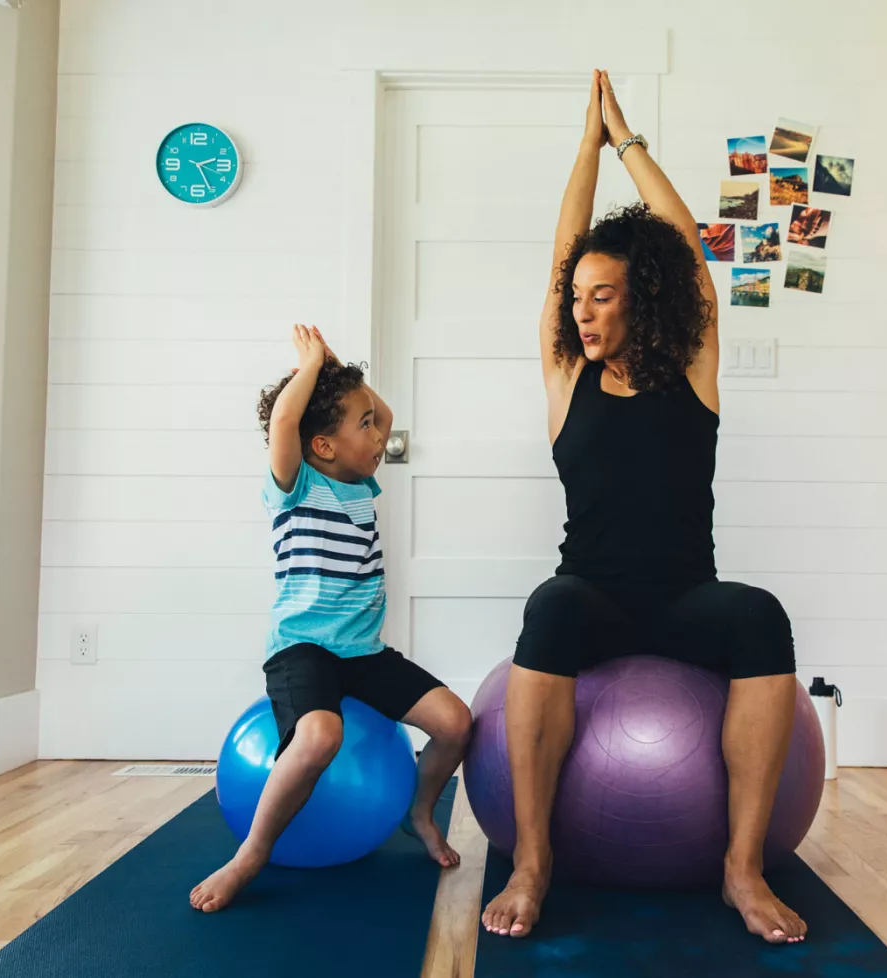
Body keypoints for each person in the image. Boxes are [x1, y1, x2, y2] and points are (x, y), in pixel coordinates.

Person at [478, 70, 808, 945]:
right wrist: (581, 150)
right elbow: (560, 259)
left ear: (641, 298)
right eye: (578, 297)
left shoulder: (691, 371)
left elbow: (692, 254)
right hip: (592, 592)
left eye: (604, 295)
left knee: (762, 617)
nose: (583, 310)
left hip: (681, 597)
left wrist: (628, 144)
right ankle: (535, 860)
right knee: (547, 609)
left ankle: (742, 869)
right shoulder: (566, 378)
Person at [190, 325, 473, 913]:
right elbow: (283, 425)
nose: (380, 434)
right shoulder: (294, 486)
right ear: (322, 445)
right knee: (321, 735)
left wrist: (343, 374)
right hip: (302, 649)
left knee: (454, 722)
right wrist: (312, 367)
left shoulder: (361, 484)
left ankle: (418, 812)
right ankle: (252, 853)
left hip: (363, 651)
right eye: (363, 426)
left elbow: (385, 410)